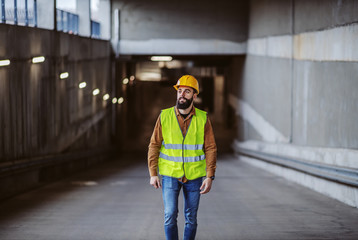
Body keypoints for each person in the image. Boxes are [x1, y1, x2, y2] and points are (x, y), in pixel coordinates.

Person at [148, 75, 217, 240]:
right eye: (180, 91)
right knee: (170, 214)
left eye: (187, 91)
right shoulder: (164, 116)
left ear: (194, 96)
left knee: (191, 218)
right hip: (170, 175)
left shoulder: (203, 118)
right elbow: (154, 145)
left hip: (194, 176)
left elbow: (210, 148)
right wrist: (153, 173)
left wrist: (209, 176)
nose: (182, 95)